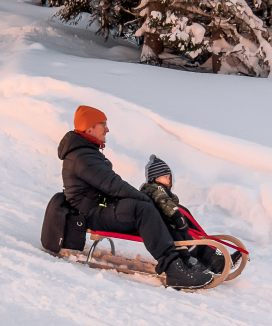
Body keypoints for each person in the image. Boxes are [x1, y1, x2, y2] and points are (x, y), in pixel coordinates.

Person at [59, 106, 215, 289]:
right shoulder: (82, 156)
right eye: (103, 124)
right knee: (144, 209)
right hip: (92, 213)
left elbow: (111, 186)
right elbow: (113, 185)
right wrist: (145, 199)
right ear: (89, 128)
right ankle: (173, 269)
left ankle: (194, 256)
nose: (107, 129)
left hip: (101, 207)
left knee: (155, 206)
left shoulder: (86, 151)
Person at [141, 154, 225, 274]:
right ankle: (191, 262)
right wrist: (176, 215)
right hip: (164, 225)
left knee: (188, 231)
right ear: (155, 178)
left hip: (166, 223)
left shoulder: (159, 190)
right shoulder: (155, 189)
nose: (169, 180)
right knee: (180, 236)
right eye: (165, 177)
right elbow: (164, 202)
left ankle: (212, 257)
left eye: (169, 177)